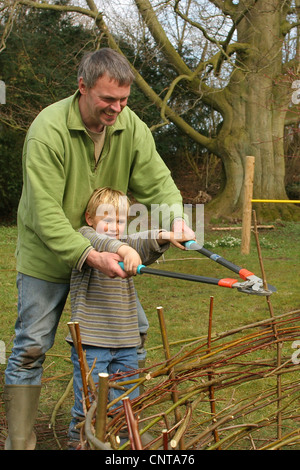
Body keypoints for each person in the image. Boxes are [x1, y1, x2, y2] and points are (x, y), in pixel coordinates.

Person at [3, 47, 195, 450]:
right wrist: (90, 254)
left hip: (105, 260)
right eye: (108, 99)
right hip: (49, 256)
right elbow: (44, 213)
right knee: (31, 347)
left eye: (124, 100)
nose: (116, 108)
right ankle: (19, 440)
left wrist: (173, 218)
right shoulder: (48, 131)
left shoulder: (131, 126)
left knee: (134, 333)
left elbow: (158, 182)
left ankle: (110, 426)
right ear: (82, 88)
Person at [67, 187, 187, 448]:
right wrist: (124, 250)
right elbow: (104, 243)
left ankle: (118, 442)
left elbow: (141, 242)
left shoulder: (126, 244)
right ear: (90, 219)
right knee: (88, 403)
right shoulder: (84, 238)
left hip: (126, 344)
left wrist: (164, 236)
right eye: (106, 220)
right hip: (91, 343)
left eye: (120, 221)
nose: (113, 227)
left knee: (127, 402)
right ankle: (80, 442)